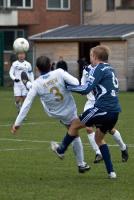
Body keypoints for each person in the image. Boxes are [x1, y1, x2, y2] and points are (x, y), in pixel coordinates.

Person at [51, 45, 123, 179]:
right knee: (99, 139)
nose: (90, 58)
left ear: (95, 57)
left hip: (102, 109)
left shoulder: (98, 69)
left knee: (74, 125)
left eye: (91, 56)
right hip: (114, 112)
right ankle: (111, 172)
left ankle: (60, 150)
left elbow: (85, 89)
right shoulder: (111, 69)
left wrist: (67, 87)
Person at [11, 55, 90, 173]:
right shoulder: (59, 72)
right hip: (69, 109)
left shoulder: (37, 83)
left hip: (54, 111)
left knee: (73, 132)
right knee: (74, 133)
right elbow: (75, 82)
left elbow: (27, 104)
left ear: (37, 68)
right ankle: (80, 163)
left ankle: (28, 85)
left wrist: (17, 124)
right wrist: (64, 85)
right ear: (51, 65)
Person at [81, 65, 128, 163]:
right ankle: (99, 153)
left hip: (102, 103)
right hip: (90, 103)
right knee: (88, 128)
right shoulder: (86, 70)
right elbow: (83, 87)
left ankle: (123, 147)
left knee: (109, 129)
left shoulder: (103, 69)